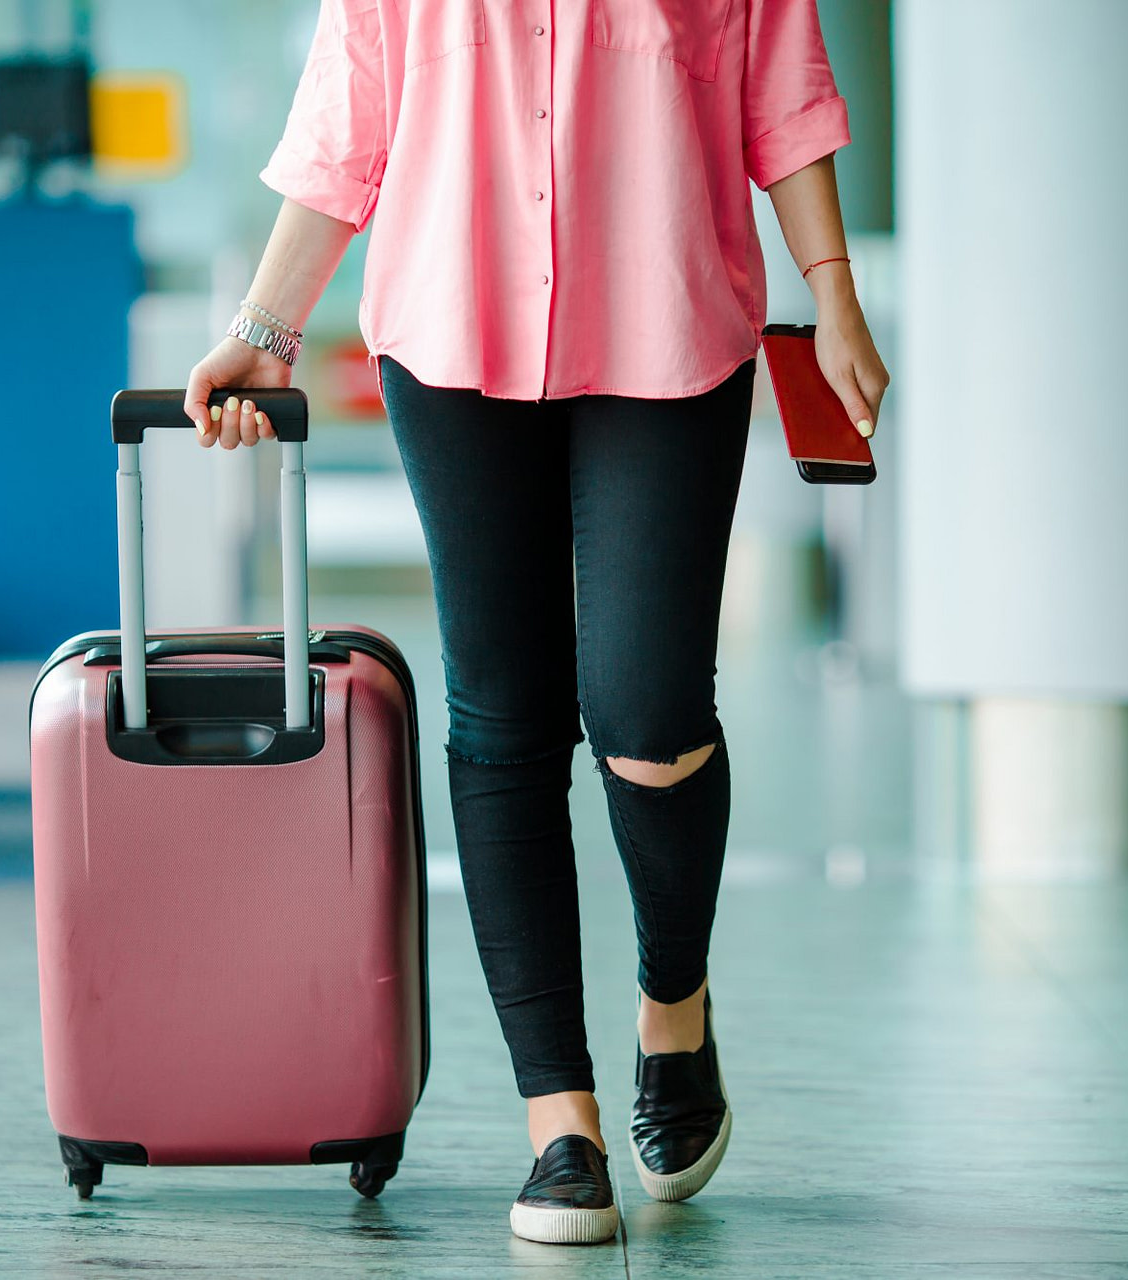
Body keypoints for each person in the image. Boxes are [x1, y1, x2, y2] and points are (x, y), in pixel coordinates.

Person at [184, 0, 888, 1246]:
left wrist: (833, 291)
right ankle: (559, 1122)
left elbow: (780, 94)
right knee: (502, 719)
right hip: (454, 332)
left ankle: (674, 997)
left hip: (671, 324)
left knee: (648, 709)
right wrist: (266, 326)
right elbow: (355, 111)